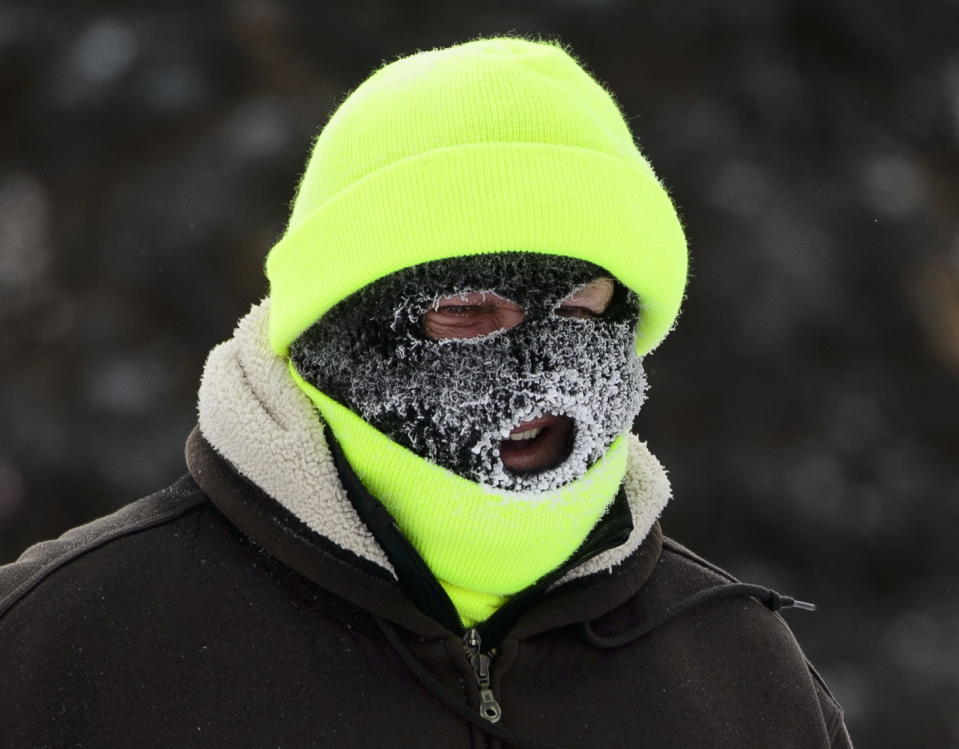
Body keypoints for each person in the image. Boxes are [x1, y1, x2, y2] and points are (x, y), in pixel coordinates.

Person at [0, 36, 852, 748]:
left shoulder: (741, 674)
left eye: (578, 308)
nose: (542, 370)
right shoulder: (61, 645)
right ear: (333, 324)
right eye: (464, 310)